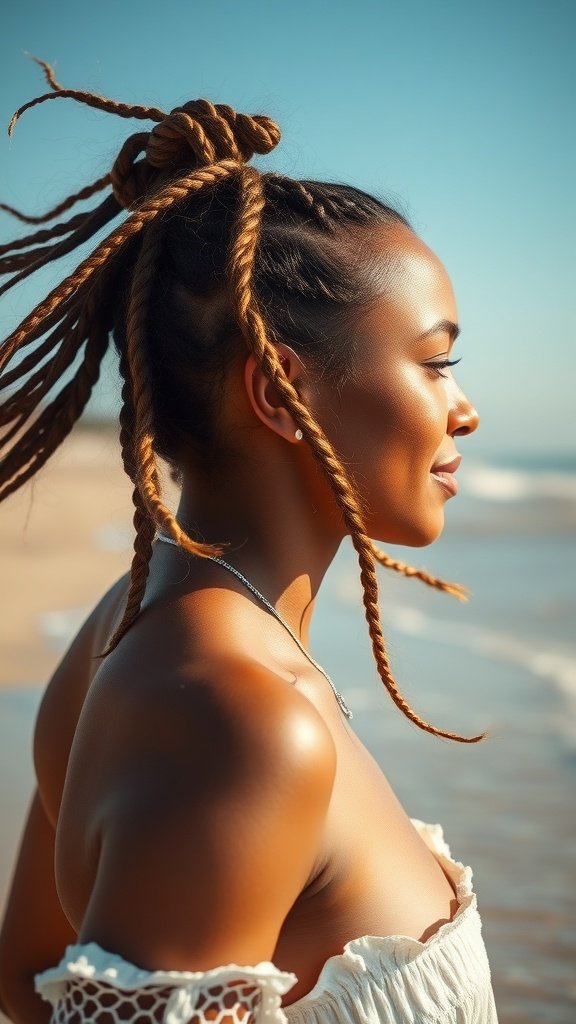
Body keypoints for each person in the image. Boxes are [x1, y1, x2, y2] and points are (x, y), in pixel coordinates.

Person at [0, 59, 498, 1024]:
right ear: (278, 390)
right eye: (437, 363)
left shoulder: (133, 623)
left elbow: (24, 978)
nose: (465, 410)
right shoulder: (237, 720)